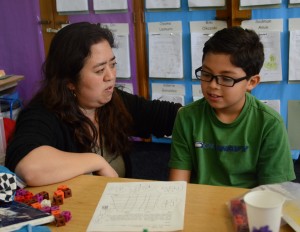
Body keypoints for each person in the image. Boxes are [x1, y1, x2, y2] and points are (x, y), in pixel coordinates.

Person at [5, 22, 181, 186]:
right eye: (99, 70)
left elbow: (170, 116)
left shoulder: (113, 101)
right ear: (70, 81)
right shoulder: (42, 114)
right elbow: (30, 167)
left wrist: (207, 107)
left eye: (112, 65)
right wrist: (95, 161)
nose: (110, 76)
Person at [168, 26, 295, 188]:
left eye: (226, 79)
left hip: (248, 208)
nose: (213, 85)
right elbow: (177, 186)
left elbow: (274, 194)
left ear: (251, 82)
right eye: (206, 74)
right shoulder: (187, 116)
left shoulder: (269, 124)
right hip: (199, 205)